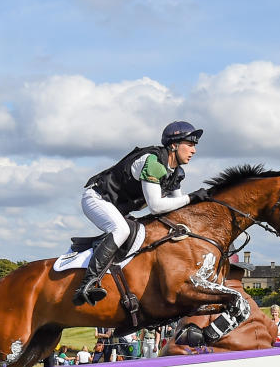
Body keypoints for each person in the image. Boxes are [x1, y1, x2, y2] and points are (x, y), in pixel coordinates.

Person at [75, 120, 208, 306]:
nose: (194, 150)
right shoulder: (153, 162)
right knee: (121, 230)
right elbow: (156, 206)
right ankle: (88, 283)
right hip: (96, 198)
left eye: (194, 146)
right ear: (174, 145)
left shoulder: (176, 173)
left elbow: (178, 211)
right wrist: (192, 198)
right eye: (190, 145)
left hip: (117, 207)